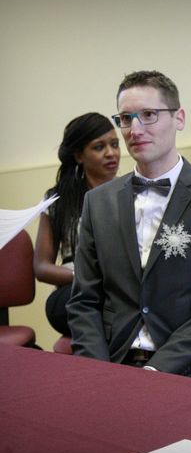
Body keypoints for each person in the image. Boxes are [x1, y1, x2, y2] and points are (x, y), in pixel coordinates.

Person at [66, 71, 191, 383]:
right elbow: (84, 300)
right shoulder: (98, 202)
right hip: (115, 360)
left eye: (149, 115)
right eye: (126, 118)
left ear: (179, 118)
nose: (134, 129)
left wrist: (157, 369)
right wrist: (96, 370)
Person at [34, 113, 121, 337]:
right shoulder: (56, 201)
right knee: (72, 305)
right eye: (99, 147)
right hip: (77, 288)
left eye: (114, 144)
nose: (111, 153)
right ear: (79, 156)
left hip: (122, 285)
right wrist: (88, 276)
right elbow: (41, 267)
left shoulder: (131, 192)